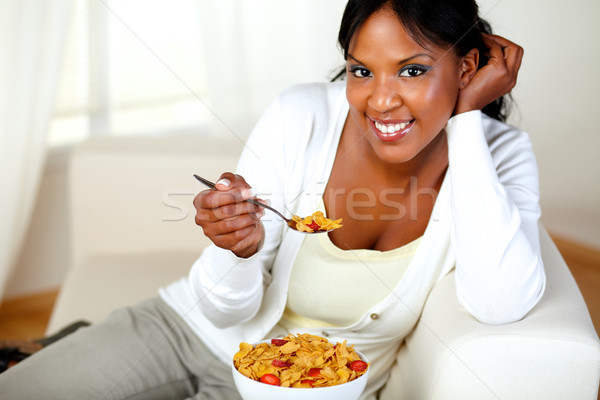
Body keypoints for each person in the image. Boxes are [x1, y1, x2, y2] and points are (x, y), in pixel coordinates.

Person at [0, 0, 545, 398]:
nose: (380, 100)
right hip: (188, 329)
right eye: (361, 70)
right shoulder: (300, 115)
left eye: (413, 70)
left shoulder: (499, 156)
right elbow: (221, 306)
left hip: (305, 389)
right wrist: (235, 249)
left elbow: (502, 303)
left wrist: (468, 120)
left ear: (468, 68)